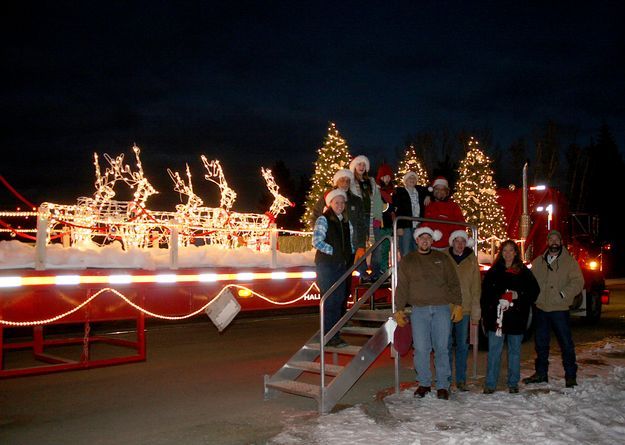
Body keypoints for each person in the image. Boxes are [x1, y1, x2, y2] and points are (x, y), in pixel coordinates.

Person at [394, 226, 463, 400]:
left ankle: (442, 385)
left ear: (433, 241)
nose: (425, 241)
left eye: (428, 238)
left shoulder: (442, 259)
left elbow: (454, 283)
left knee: (442, 348)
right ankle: (424, 383)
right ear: (416, 240)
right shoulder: (408, 261)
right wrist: (399, 309)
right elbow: (402, 286)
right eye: (421, 238)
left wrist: (458, 305)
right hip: (419, 311)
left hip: (441, 309)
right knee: (421, 349)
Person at [524, 229, 584, 388]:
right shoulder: (538, 262)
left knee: (566, 344)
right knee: (541, 344)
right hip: (541, 308)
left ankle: (571, 376)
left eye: (557, 239)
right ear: (547, 242)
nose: (554, 242)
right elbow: (529, 281)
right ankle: (541, 374)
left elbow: (578, 282)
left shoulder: (569, 262)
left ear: (561, 242)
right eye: (551, 239)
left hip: (559, 309)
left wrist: (563, 294)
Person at [481, 240, 539, 394]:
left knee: (514, 352)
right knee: (494, 351)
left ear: (515, 253)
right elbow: (485, 295)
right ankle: (490, 383)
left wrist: (518, 295)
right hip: (497, 319)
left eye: (510, 250)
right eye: (504, 250)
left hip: (516, 319)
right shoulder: (494, 271)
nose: (507, 254)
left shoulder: (523, 272)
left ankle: (513, 383)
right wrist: (493, 307)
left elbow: (534, 291)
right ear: (501, 253)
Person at [312, 189, 355, 348]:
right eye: (336, 202)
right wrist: (334, 252)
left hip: (340, 265)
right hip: (327, 265)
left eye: (342, 202)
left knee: (339, 300)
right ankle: (329, 335)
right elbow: (316, 241)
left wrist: (348, 256)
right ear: (330, 203)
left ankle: (334, 334)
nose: (340, 205)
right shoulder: (323, 219)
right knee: (330, 300)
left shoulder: (345, 222)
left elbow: (349, 243)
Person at [446, 230, 481, 391]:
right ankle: (445, 379)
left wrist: (475, 309)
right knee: (445, 345)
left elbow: (476, 287)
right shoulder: (444, 258)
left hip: (465, 309)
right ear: (452, 242)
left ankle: (461, 380)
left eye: (462, 241)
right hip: (446, 308)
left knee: (462, 346)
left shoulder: (471, 259)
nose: (459, 244)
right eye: (456, 241)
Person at [349, 155, 384, 282]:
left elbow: (378, 200)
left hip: (371, 216)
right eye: (359, 164)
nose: (362, 167)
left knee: (377, 245)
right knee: (360, 244)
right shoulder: (350, 181)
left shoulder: (371, 182)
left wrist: (378, 217)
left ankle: (376, 271)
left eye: (364, 165)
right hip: (358, 218)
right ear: (354, 166)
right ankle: (362, 271)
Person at [392, 171, 430, 257]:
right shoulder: (399, 192)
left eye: (414, 178)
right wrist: (399, 226)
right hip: (406, 225)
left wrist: (428, 196)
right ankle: (404, 268)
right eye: (410, 178)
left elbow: (430, 189)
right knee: (405, 250)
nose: (412, 180)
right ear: (405, 180)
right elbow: (397, 210)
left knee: (416, 250)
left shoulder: (420, 191)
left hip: (418, 225)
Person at [423, 176, 465, 250]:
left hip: (447, 246)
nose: (439, 191)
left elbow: (461, 224)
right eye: (437, 189)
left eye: (442, 189)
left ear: (446, 192)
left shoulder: (453, 206)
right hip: (429, 246)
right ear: (433, 190)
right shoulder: (427, 203)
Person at [375, 162, 395, 277]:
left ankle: (385, 268)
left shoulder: (392, 191)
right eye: (384, 176)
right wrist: (391, 207)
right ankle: (381, 269)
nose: (387, 179)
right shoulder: (378, 191)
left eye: (388, 176)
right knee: (381, 248)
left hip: (390, 224)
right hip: (381, 224)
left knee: (387, 247)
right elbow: (381, 208)